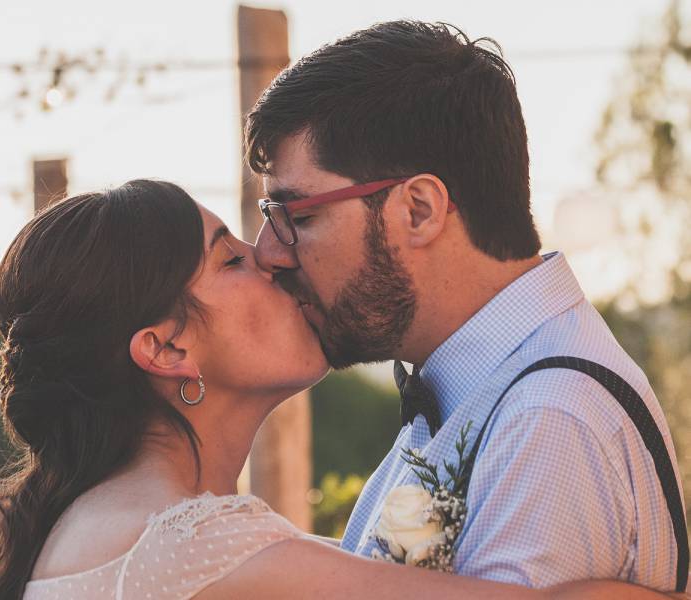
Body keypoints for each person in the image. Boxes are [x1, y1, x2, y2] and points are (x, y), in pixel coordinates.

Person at [0, 180, 673, 599]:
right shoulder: (196, 550)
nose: (274, 260)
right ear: (166, 348)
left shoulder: (103, 526)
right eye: (230, 260)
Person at [246, 19, 686, 592]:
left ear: (421, 210)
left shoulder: (549, 422)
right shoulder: (477, 388)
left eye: (298, 216)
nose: (269, 253)